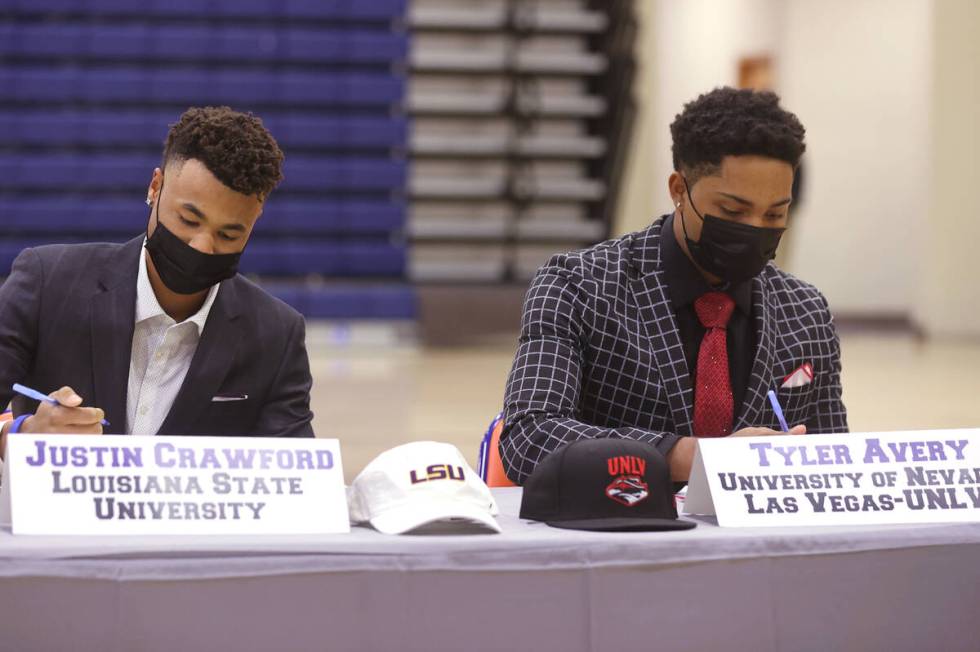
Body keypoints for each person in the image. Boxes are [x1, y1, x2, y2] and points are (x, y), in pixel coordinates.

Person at [500, 87, 848, 484]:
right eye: (732, 211)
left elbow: (833, 461)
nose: (754, 229)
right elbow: (529, 437)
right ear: (679, 190)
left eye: (774, 214)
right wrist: (694, 458)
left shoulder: (806, 312)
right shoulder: (577, 287)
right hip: (621, 533)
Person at [0, 106, 314, 452]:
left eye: (228, 235)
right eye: (189, 220)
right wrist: (17, 436)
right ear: (155, 187)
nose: (202, 247)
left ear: (254, 222)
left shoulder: (276, 336)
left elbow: (292, 476)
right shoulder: (48, 282)